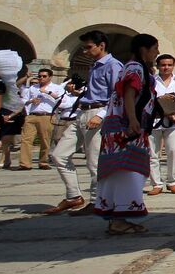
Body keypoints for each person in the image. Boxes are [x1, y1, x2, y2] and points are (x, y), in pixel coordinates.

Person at [94, 33, 170, 234]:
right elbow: (130, 92)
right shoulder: (136, 67)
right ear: (144, 50)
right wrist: (133, 120)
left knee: (119, 171)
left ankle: (116, 216)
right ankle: (120, 218)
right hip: (127, 128)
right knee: (131, 172)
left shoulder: (133, 67)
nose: (157, 52)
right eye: (155, 48)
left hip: (119, 127)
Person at [47, 30, 125, 215]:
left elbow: (117, 93)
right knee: (59, 154)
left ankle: (97, 201)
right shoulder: (95, 65)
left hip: (97, 113)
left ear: (102, 45)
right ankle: (73, 196)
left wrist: (102, 115)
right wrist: (78, 92)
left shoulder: (113, 65)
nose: (85, 51)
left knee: (94, 161)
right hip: (83, 112)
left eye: (89, 47)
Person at [148, 54, 175, 195]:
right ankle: (156, 183)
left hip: (172, 119)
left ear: (173, 66)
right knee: (153, 153)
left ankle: (172, 181)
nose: (166, 67)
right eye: (163, 65)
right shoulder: (152, 80)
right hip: (154, 120)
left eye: (169, 65)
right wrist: (159, 99)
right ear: (158, 66)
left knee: (174, 151)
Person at [20, 68, 64, 170]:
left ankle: (43, 162)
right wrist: (31, 100)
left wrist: (48, 92)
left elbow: (61, 99)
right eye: (39, 76)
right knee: (26, 139)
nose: (41, 78)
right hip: (32, 115)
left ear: (50, 77)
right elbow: (23, 100)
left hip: (47, 115)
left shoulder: (56, 87)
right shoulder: (33, 88)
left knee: (45, 139)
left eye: (44, 76)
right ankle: (25, 164)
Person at [0, 63, 28, 170]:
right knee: (4, 139)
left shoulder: (15, 93)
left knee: (6, 139)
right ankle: (5, 159)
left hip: (13, 116)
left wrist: (9, 116)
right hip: (1, 114)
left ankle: (5, 159)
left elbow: (20, 107)